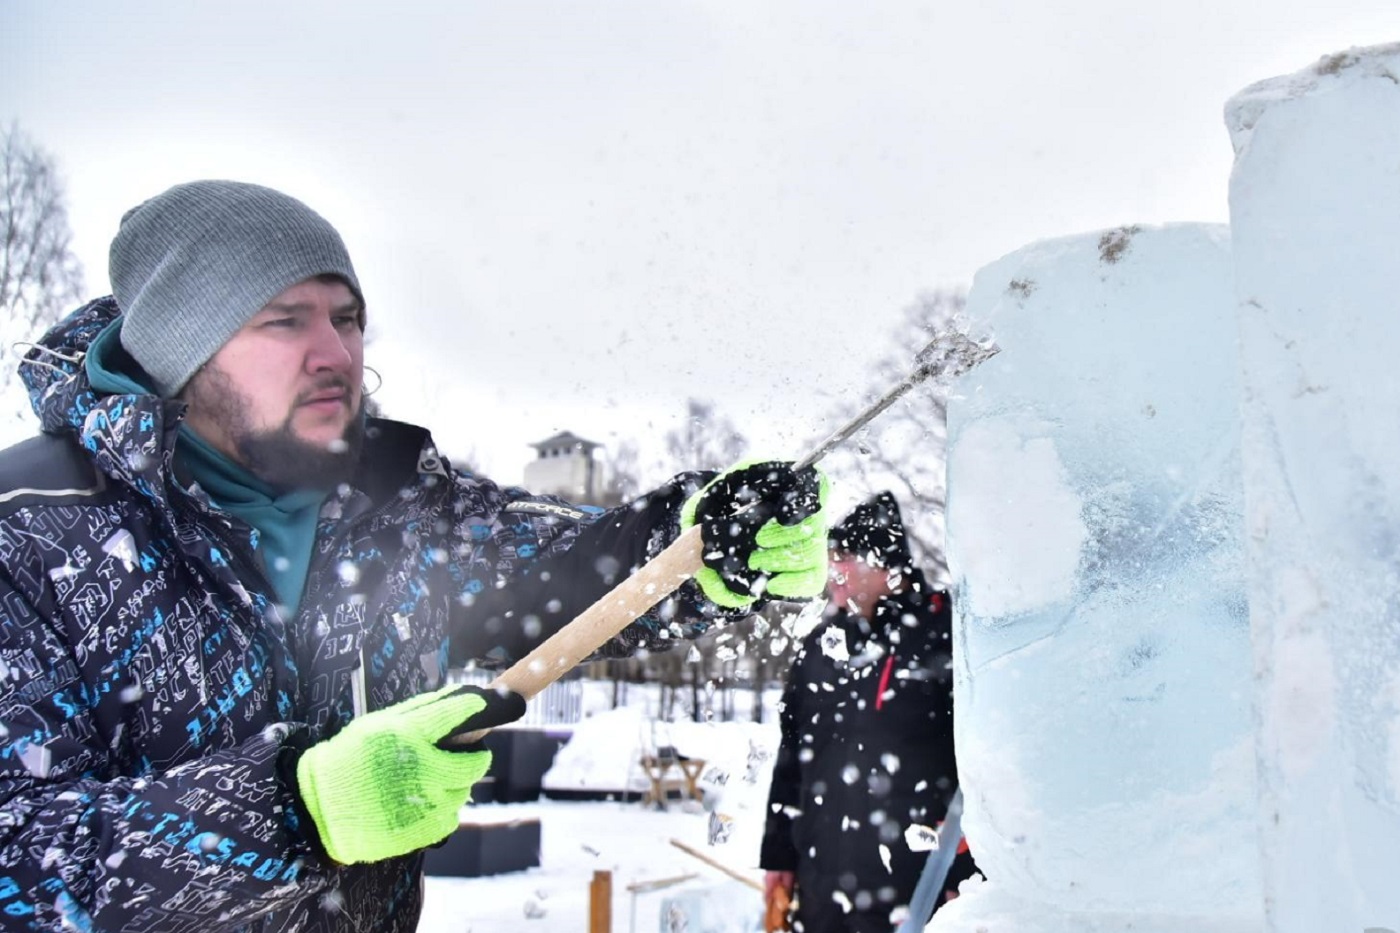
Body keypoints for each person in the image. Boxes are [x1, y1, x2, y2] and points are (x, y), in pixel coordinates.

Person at [0, 180, 829, 933]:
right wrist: (295, 808)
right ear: (183, 353)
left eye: (347, 316)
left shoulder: (390, 505)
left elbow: (560, 570)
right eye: (284, 320)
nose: (336, 353)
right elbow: (16, 861)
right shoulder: (33, 536)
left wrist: (694, 543)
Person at [760, 492, 978, 933]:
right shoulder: (820, 648)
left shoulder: (947, 631)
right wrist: (779, 857)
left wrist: (970, 868)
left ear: (883, 563)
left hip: (918, 884)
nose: (831, 571)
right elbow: (792, 760)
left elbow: (985, 760)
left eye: (843, 557)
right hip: (824, 880)